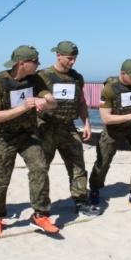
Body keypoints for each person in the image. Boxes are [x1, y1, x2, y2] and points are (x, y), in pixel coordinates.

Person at [0, 45, 60, 235]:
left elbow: (53, 101)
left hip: (27, 134)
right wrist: (24, 107)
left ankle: (40, 215)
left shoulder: (36, 79)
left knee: (40, 167)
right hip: (3, 137)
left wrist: (46, 101)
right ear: (22, 63)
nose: (38, 65)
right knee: (0, 179)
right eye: (35, 62)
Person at [37, 41, 99, 216]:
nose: (72, 62)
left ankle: (81, 201)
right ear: (58, 56)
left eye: (75, 59)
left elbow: (81, 102)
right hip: (46, 128)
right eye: (69, 58)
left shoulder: (77, 77)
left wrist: (86, 122)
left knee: (77, 165)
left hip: (68, 127)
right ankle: (41, 207)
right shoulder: (42, 76)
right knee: (41, 168)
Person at [88, 59, 131, 208]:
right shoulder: (110, 88)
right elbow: (106, 118)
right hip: (114, 129)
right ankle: (94, 189)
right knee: (103, 160)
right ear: (123, 73)